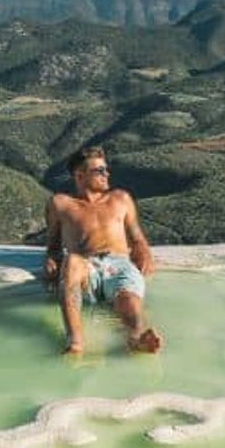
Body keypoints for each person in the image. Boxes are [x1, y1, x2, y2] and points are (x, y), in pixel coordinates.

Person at [43, 146, 163, 355]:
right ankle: (75, 341)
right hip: (84, 264)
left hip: (118, 264)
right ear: (79, 175)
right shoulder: (60, 204)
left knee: (128, 299)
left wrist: (145, 253)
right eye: (99, 170)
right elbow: (53, 246)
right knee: (70, 261)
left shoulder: (121, 199)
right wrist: (51, 260)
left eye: (106, 169)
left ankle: (136, 337)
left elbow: (137, 239)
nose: (107, 174)